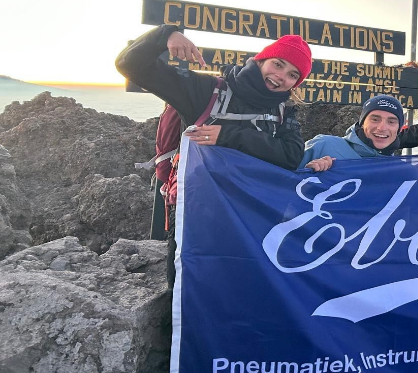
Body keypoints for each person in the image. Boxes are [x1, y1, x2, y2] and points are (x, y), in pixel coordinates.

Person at [116, 24, 312, 285]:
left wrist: (228, 136)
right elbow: (130, 65)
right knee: (190, 289)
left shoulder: (284, 111)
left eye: (292, 75)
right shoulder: (205, 90)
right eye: (278, 64)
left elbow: (291, 156)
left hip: (251, 214)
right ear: (262, 59)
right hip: (197, 213)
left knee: (241, 289)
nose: (281, 76)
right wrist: (165, 35)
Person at [302, 94, 405, 172]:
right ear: (362, 123)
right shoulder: (323, 145)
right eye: (375, 119)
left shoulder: (399, 171)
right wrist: (306, 171)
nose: (382, 128)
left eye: (391, 122)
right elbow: (287, 182)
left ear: (398, 129)